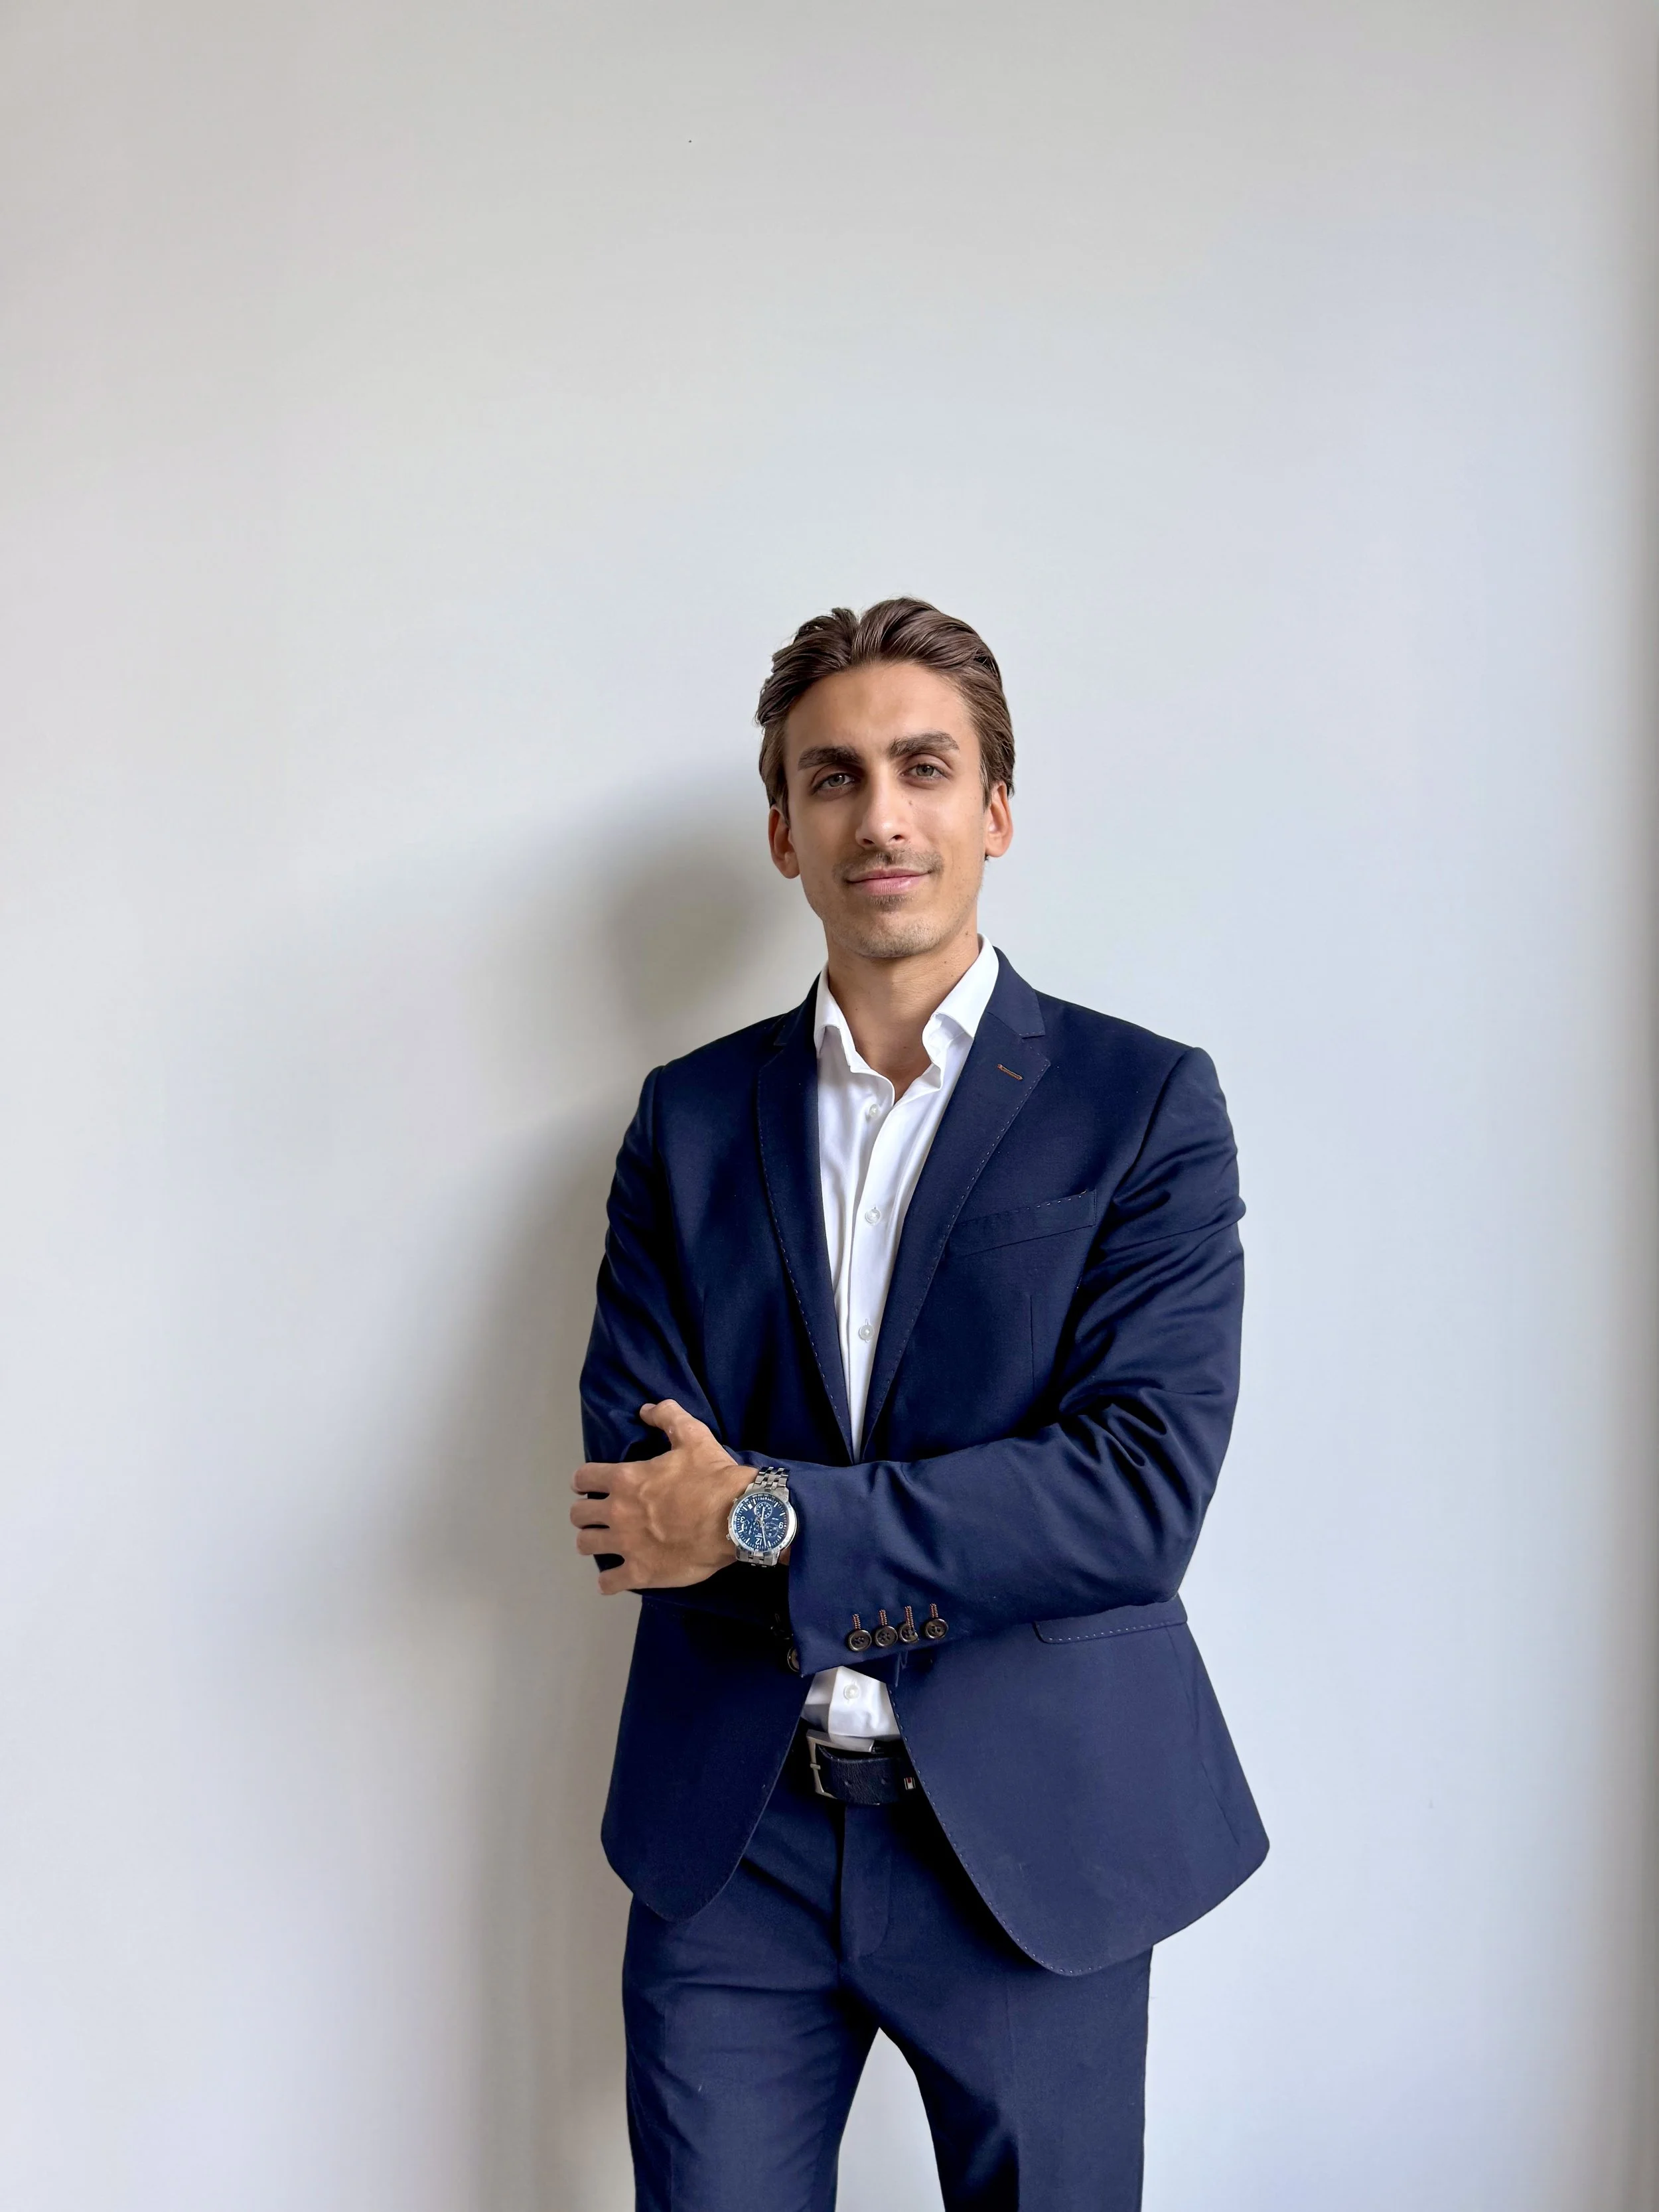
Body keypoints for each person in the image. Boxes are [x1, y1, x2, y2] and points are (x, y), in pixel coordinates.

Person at [572, 598, 1266, 2212]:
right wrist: (924, 1516)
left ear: (992, 811)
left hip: (1032, 1839)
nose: (877, 813)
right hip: (730, 1843)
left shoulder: (1140, 1104)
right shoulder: (686, 1119)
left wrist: (763, 1511)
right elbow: (630, 1488)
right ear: (782, 832)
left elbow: (1130, 1500)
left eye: (922, 767)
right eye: (832, 777)